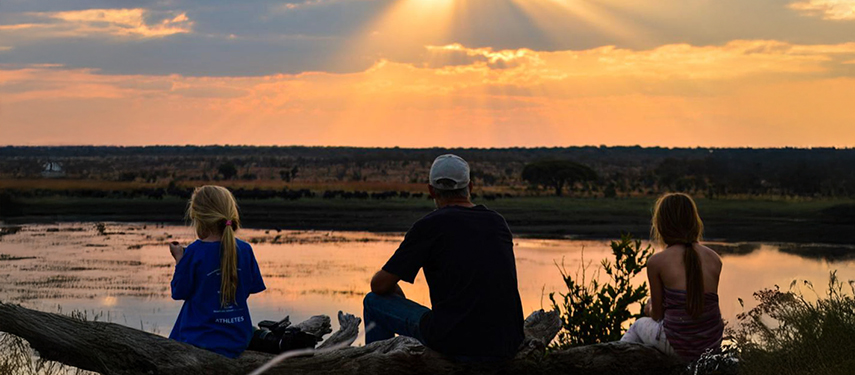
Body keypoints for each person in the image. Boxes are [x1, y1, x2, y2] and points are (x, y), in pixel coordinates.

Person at [363, 154, 525, 361]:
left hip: (455, 341)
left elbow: (379, 286)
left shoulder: (429, 226)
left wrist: (392, 289)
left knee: (374, 301)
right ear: (471, 187)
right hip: (507, 341)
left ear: (430, 190)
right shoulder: (497, 222)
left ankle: (378, 366)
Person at [621, 193, 724, 362]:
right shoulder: (714, 259)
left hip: (676, 345)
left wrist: (649, 308)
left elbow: (657, 315)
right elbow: (702, 309)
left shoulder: (657, 262)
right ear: (694, 222)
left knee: (639, 325)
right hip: (710, 346)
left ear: (662, 225)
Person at [168, 185, 266, 358]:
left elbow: (179, 292)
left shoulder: (194, 252)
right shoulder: (245, 250)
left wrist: (180, 261)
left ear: (198, 218)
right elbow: (245, 290)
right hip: (238, 340)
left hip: (198, 340)